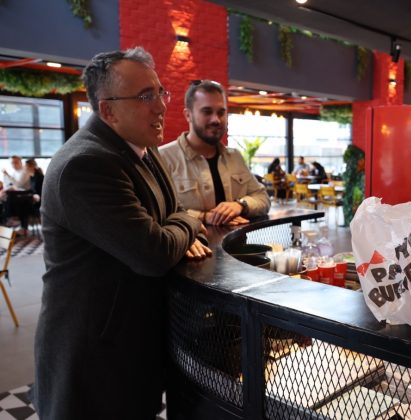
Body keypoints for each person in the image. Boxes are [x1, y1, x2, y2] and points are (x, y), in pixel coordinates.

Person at [33, 46, 212, 419]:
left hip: (129, 345)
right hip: (94, 356)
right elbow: (154, 252)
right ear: (108, 109)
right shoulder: (86, 164)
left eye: (160, 93)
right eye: (145, 96)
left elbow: (173, 211)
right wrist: (191, 222)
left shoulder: (141, 148)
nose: (161, 106)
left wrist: (178, 221)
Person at [159, 80, 269, 225]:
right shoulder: (163, 158)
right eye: (207, 112)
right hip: (191, 240)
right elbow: (158, 210)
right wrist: (203, 217)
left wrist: (240, 205)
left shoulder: (234, 157)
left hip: (236, 239)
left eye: (221, 112)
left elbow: (263, 198)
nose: (216, 120)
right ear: (188, 115)